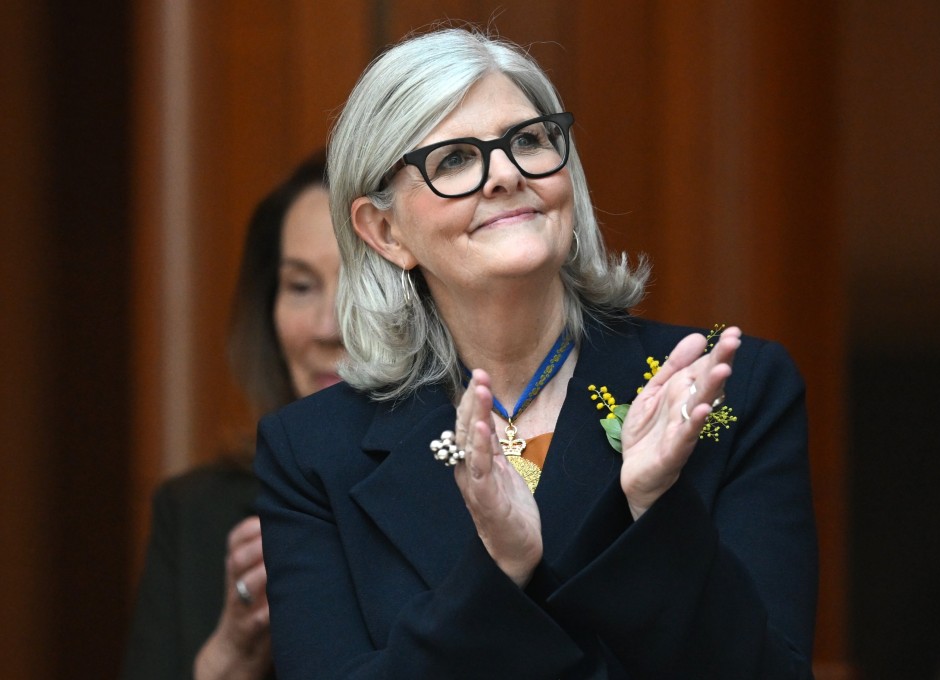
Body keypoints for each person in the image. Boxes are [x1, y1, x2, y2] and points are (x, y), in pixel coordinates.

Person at [256, 26, 817, 678]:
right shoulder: (314, 450)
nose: (504, 173)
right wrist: (496, 571)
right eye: (456, 159)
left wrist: (652, 511)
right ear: (384, 231)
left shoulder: (730, 387)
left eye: (527, 141)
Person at [121, 150, 344, 680]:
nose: (328, 326)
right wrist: (230, 657)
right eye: (301, 286)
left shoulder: (481, 491)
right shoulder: (197, 514)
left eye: (363, 282)